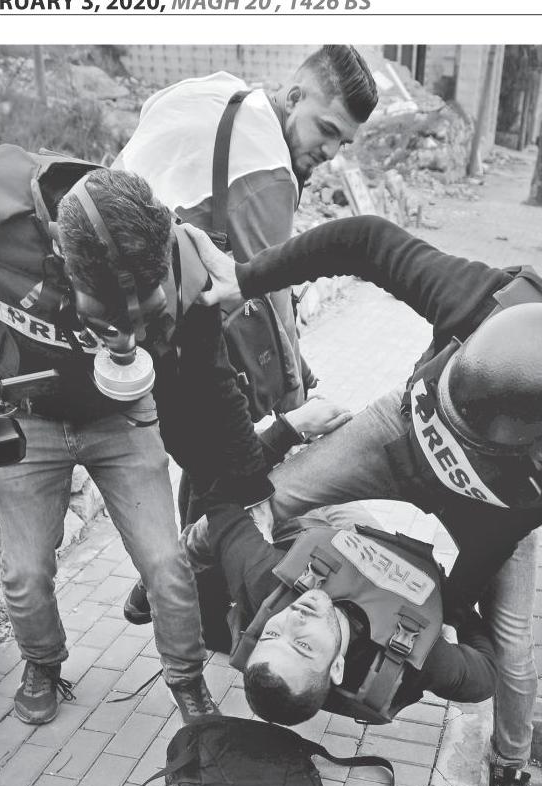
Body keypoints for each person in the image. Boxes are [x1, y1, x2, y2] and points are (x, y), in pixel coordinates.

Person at [186, 214, 542, 786]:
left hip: (489, 510)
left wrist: (442, 613)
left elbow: (485, 554)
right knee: (267, 500)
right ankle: (173, 576)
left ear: (535, 444)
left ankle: (512, 764)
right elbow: (364, 241)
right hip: (397, 434)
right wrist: (246, 277)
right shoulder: (479, 298)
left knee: (513, 646)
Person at [0, 145, 266, 726]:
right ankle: (42, 663)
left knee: (167, 567)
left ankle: (186, 678)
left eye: (139, 318)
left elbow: (214, 379)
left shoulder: (170, 251)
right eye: (110, 318)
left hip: (122, 418)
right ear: (62, 257)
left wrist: (251, 485)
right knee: (24, 575)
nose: (126, 338)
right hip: (28, 417)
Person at [113, 45, 379, 639]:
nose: (332, 153)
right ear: (295, 96)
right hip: (190, 341)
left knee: (205, 465)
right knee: (228, 472)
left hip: (149, 323)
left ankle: (186, 597)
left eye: (344, 142)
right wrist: (295, 401)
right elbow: (267, 284)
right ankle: (184, 599)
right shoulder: (268, 169)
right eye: (327, 130)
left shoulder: (226, 99)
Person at [181, 499, 499, 726]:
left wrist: (286, 437)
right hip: (376, 546)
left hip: (304, 527)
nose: (294, 618)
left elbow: (224, 512)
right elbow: (486, 677)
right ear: (337, 667)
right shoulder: (417, 662)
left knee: (215, 520)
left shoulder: (268, 585)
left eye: (272, 634)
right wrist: (453, 610)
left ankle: (171, 590)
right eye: (302, 645)